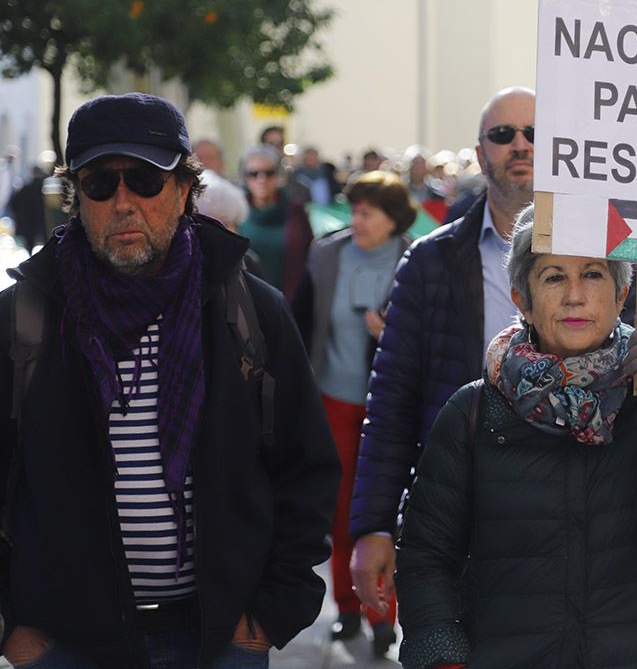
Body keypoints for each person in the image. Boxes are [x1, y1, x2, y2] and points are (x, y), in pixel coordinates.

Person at [0, 93, 340, 668]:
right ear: (75, 197)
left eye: (145, 180)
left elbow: (305, 470)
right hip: (67, 645)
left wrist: (272, 613)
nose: (123, 202)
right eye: (100, 183)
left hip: (217, 640)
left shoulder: (248, 311)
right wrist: (13, 627)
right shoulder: (22, 320)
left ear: (185, 191)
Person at [393, 203, 637, 668]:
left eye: (594, 275)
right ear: (523, 299)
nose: (575, 296)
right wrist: (444, 656)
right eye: (554, 277)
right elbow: (425, 555)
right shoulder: (474, 410)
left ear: (622, 296)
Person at [348, 86, 536, 617]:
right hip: (457, 517)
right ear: (481, 153)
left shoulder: (603, 262)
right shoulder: (430, 262)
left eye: (535, 134)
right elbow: (391, 401)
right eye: (503, 135)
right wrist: (372, 525)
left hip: (569, 525)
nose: (520, 145)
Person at [290, 170, 415, 657]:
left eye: (368, 212)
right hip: (332, 401)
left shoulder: (415, 257)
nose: (357, 220)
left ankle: (385, 614)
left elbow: (424, 337)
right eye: (354, 210)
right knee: (342, 510)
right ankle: (345, 608)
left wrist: (392, 337)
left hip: (390, 404)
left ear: (393, 218)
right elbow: (300, 323)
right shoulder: (327, 254)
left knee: (384, 515)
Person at [239, 145, 314, 302]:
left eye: (269, 173)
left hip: (289, 304)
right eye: (253, 174)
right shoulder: (236, 214)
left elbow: (309, 260)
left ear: (279, 176)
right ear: (245, 178)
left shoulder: (296, 213)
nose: (262, 179)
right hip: (247, 305)